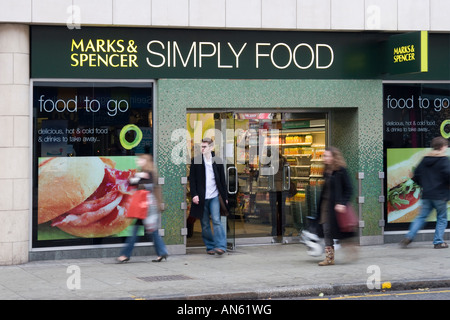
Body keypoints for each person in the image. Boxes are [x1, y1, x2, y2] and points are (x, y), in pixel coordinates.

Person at [400, 136, 450, 249]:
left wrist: (424, 186)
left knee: (421, 217)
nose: (447, 148)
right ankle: (438, 241)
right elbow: (448, 175)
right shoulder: (443, 160)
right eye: (446, 146)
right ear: (442, 147)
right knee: (442, 218)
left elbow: (415, 175)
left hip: (427, 194)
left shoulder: (424, 159)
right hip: (440, 195)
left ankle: (409, 236)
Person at [117, 154, 168, 263]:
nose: (138, 161)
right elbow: (131, 182)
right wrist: (138, 176)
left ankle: (126, 254)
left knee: (145, 230)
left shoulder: (150, 173)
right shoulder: (143, 173)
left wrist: (138, 178)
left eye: (141, 160)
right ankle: (162, 252)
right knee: (150, 230)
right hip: (143, 206)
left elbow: (149, 186)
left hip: (148, 206)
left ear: (146, 161)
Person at [189, 138, 229, 255]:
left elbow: (222, 180)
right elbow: (192, 180)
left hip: (214, 197)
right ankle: (210, 246)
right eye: (201, 146)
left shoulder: (217, 161)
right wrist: (194, 195)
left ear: (211, 148)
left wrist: (225, 196)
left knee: (216, 220)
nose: (202, 149)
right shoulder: (196, 161)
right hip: (201, 198)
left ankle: (221, 246)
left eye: (204, 147)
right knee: (205, 223)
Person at [317, 146, 355, 266]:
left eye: (327, 156)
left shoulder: (341, 171)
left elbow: (349, 189)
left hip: (336, 207)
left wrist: (342, 203)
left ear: (334, 157)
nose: (325, 158)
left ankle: (351, 247)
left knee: (338, 232)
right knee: (326, 230)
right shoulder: (326, 171)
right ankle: (329, 258)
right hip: (325, 205)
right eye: (324, 156)